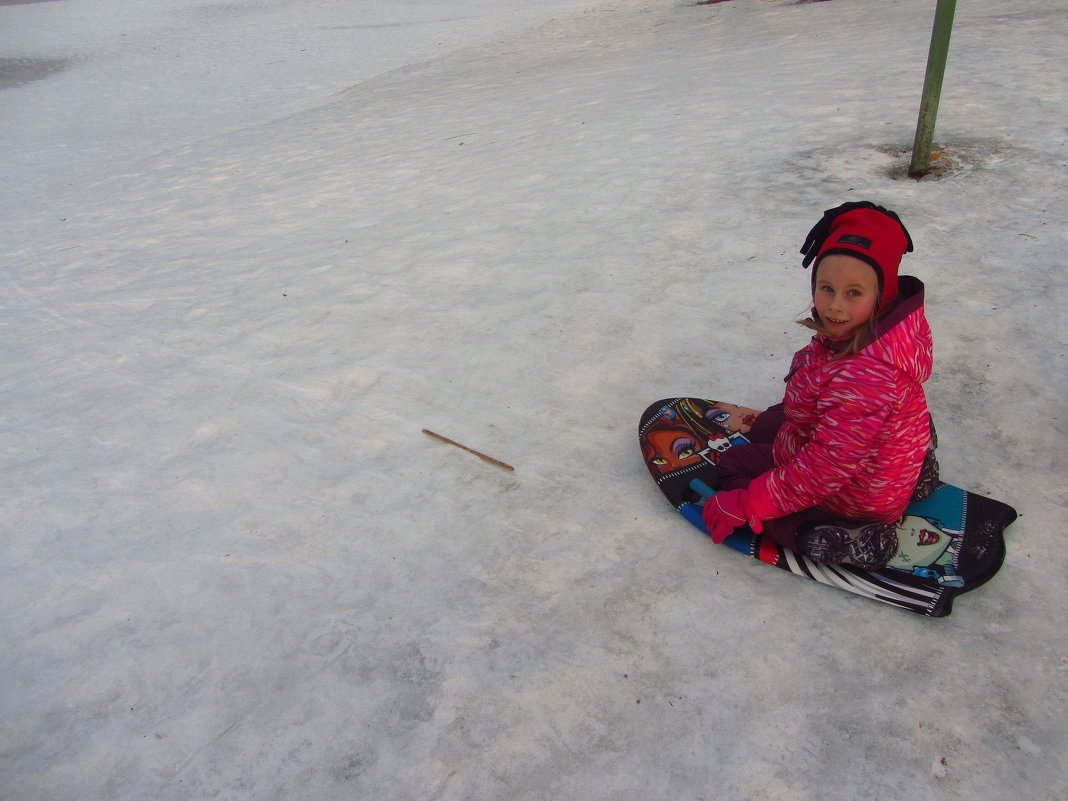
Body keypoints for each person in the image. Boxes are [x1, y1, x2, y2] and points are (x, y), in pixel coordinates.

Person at [702, 201, 940, 569]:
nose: (834, 307)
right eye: (826, 288)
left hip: (857, 494)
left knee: (735, 464)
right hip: (886, 460)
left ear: (882, 295)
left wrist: (749, 503)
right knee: (775, 421)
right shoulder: (885, 334)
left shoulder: (865, 375)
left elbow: (823, 470)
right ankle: (917, 469)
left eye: (854, 293)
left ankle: (831, 534)